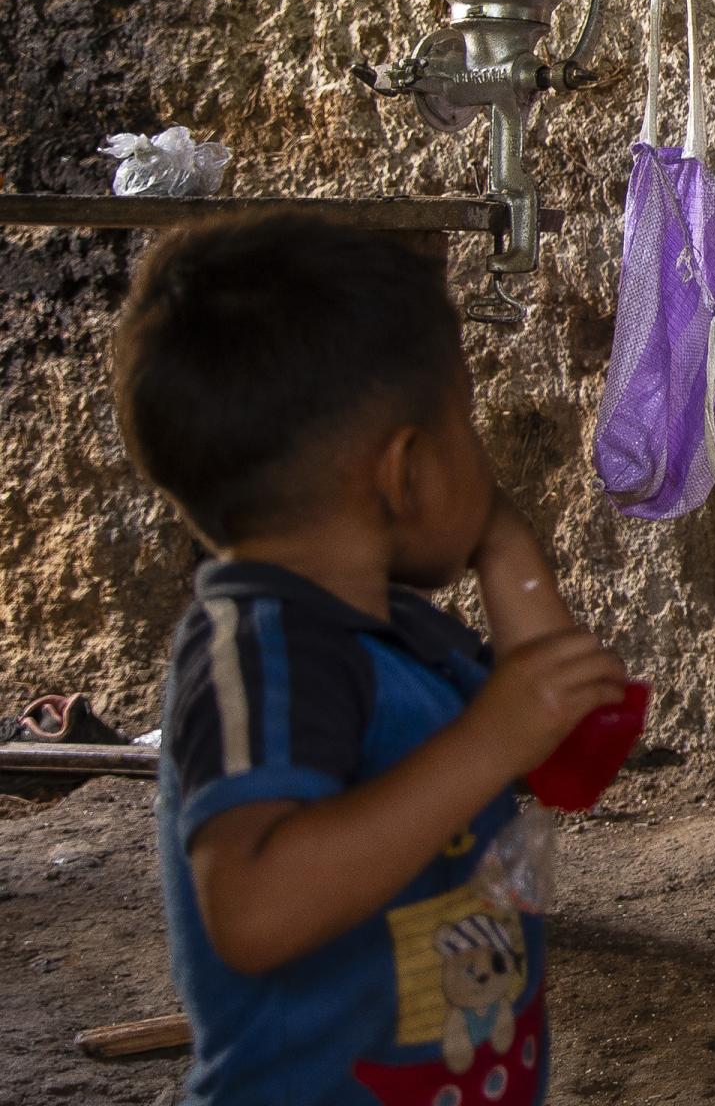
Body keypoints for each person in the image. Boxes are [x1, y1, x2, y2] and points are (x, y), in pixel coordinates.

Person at [112, 214, 628, 1103]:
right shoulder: (257, 653)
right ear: (403, 470)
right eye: (467, 425)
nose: (487, 461)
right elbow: (253, 908)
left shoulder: (400, 634)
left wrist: (497, 538)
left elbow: (571, 755)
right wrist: (490, 741)